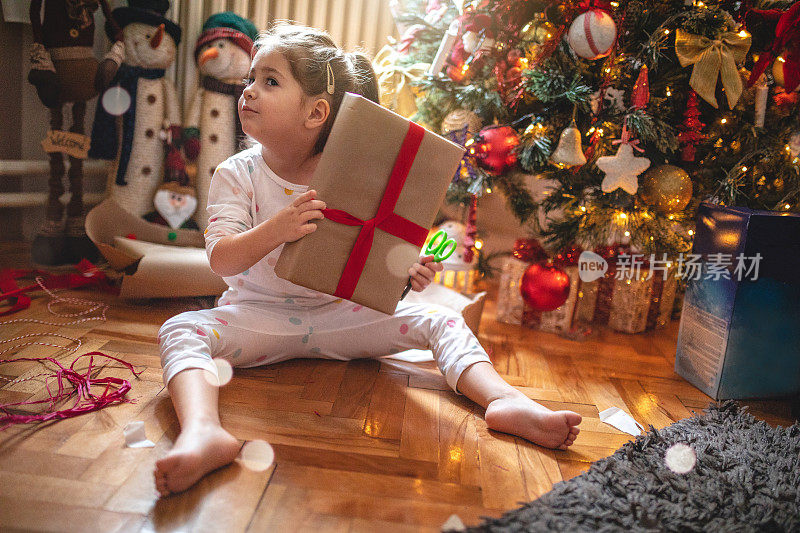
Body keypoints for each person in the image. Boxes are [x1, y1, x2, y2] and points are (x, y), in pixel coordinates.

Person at [154, 23, 581, 497]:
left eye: (269, 81)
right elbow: (221, 260)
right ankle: (201, 431)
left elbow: (372, 254)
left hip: (342, 317)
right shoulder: (237, 173)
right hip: (258, 319)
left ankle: (503, 400)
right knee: (179, 329)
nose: (248, 90)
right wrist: (278, 228)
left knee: (440, 319)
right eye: (251, 77)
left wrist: (405, 271)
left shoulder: (353, 175)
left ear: (316, 112)